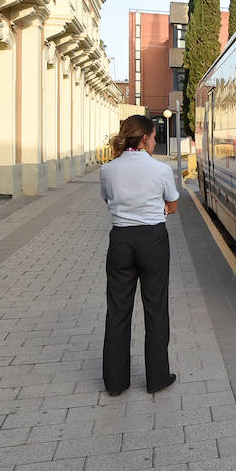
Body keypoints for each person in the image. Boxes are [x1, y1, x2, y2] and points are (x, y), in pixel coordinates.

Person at [99, 114, 180, 396]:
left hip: (120, 240)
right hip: (152, 240)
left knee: (118, 310)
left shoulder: (108, 169)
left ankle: (115, 382)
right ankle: (157, 378)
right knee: (155, 309)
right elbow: (173, 206)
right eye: (154, 136)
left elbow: (108, 199)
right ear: (144, 138)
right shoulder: (159, 170)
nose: (155, 141)